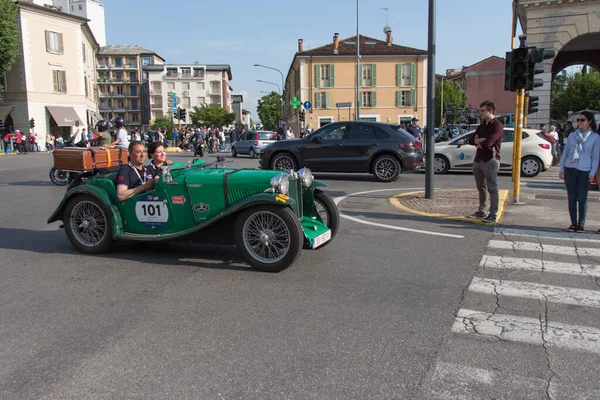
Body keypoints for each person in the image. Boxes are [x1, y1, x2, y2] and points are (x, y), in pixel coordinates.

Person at [559, 111, 599, 232]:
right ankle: (573, 223)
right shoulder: (572, 135)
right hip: (570, 168)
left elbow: (596, 157)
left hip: (584, 170)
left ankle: (581, 223)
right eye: (578, 120)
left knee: (582, 198)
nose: (579, 122)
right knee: (571, 197)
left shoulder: (595, 138)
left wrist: (592, 173)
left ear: (589, 122)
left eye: (582, 120)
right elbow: (565, 153)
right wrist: (562, 169)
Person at [468, 100, 503, 223]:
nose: (481, 113)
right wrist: (479, 141)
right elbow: (470, 140)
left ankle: (493, 213)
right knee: (480, 187)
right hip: (478, 159)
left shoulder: (497, 125)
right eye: (480, 111)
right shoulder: (481, 126)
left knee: (492, 188)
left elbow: (489, 143)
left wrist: (479, 141)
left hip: (490, 159)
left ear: (490, 111)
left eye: (483, 111)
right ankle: (482, 210)